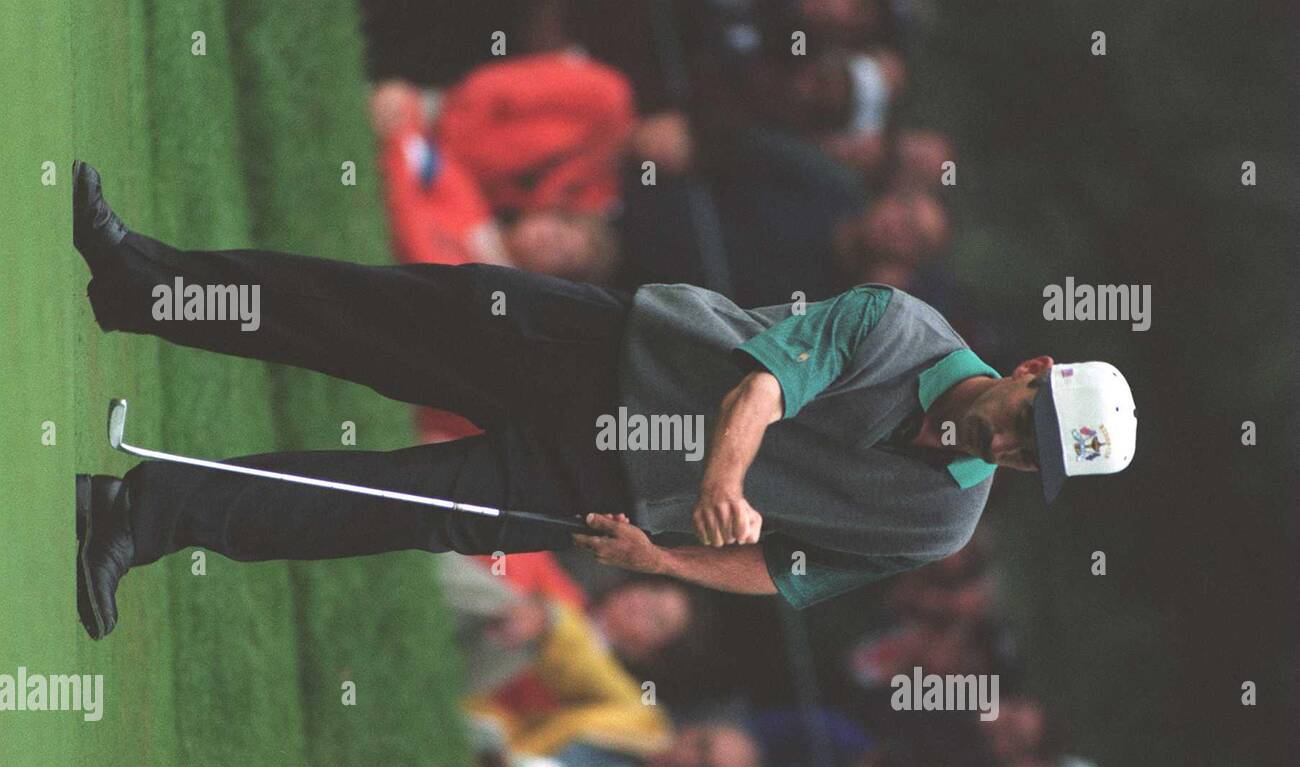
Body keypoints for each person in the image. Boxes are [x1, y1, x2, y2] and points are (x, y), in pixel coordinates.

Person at [71, 161, 1137, 639]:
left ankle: (139, 516)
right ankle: (138, 282)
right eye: (1026, 430)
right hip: (599, 349)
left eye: (1037, 465)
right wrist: (723, 478)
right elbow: (764, 385)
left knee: (377, 507)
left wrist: (665, 560)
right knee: (349, 313)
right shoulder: (899, 325)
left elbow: (786, 572)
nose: (1012, 454)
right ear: (1032, 372)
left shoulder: (941, 521)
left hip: (605, 494)